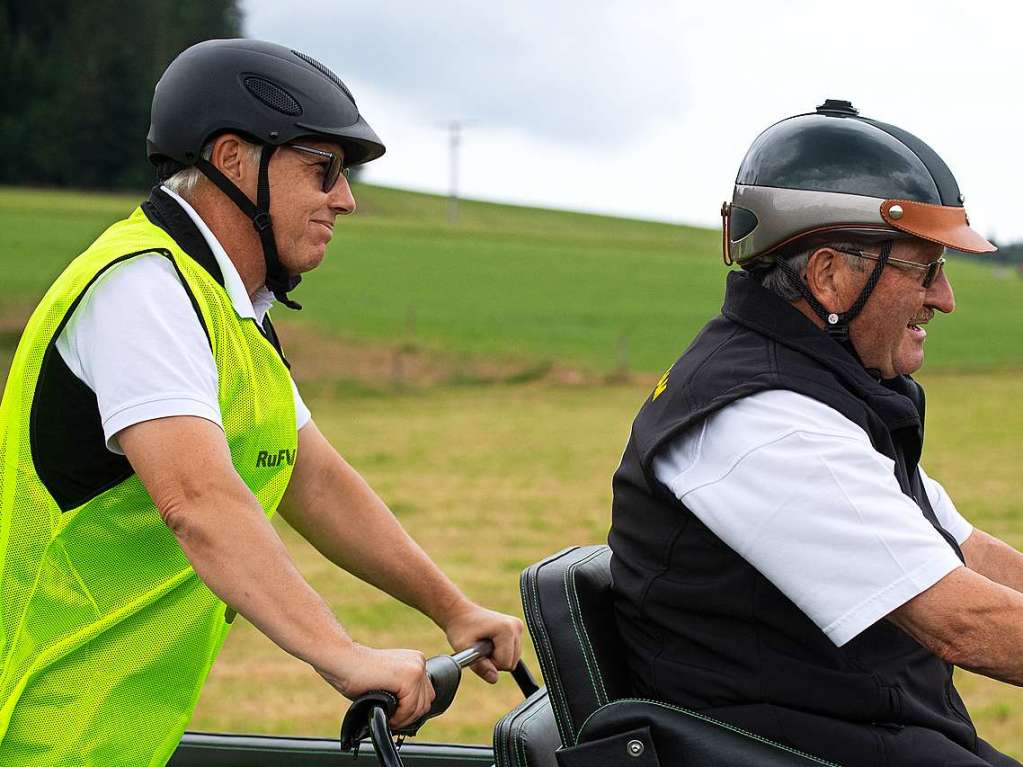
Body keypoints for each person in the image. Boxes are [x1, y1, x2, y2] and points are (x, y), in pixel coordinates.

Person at [0, 39, 522, 766]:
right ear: (234, 160)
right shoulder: (142, 287)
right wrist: (342, 655)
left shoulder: (234, 314)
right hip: (34, 727)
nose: (344, 198)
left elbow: (316, 481)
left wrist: (450, 606)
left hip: (110, 735)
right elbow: (201, 502)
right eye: (323, 169)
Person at [609, 100, 1023, 766]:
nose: (943, 298)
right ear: (830, 275)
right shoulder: (764, 420)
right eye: (924, 268)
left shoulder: (822, 390)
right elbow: (963, 622)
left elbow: (964, 550)